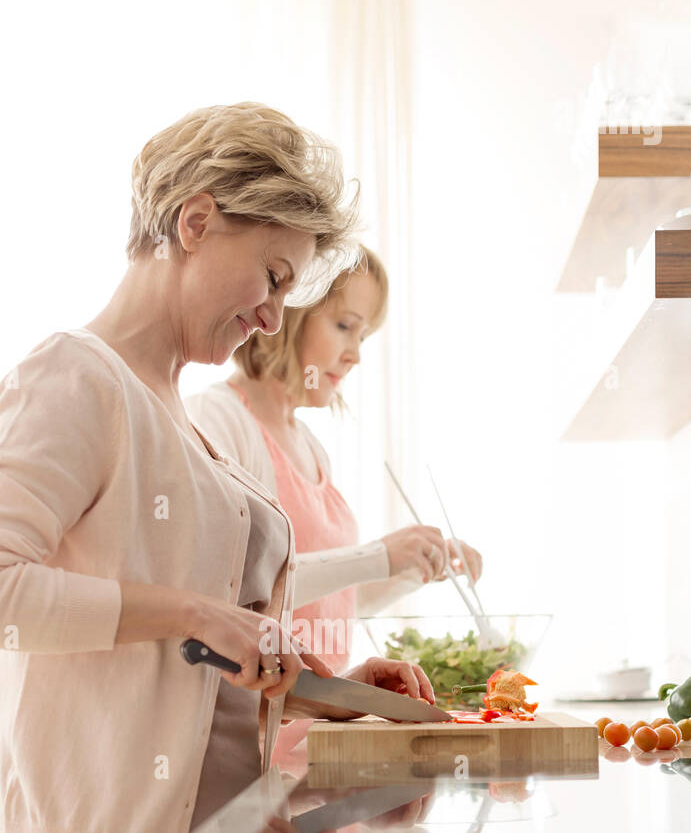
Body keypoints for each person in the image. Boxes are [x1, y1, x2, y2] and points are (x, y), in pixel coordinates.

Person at [0, 103, 435, 833]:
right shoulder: (76, 378)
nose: (274, 319)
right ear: (195, 222)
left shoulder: (173, 412)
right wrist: (194, 612)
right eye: (273, 277)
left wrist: (326, 690)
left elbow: (190, 669)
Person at [187, 245, 483, 677]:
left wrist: (413, 566)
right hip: (263, 735)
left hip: (317, 721)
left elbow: (327, 603)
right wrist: (378, 556)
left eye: (363, 336)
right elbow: (242, 594)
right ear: (290, 310)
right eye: (345, 326)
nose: (355, 355)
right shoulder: (219, 419)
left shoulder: (310, 446)